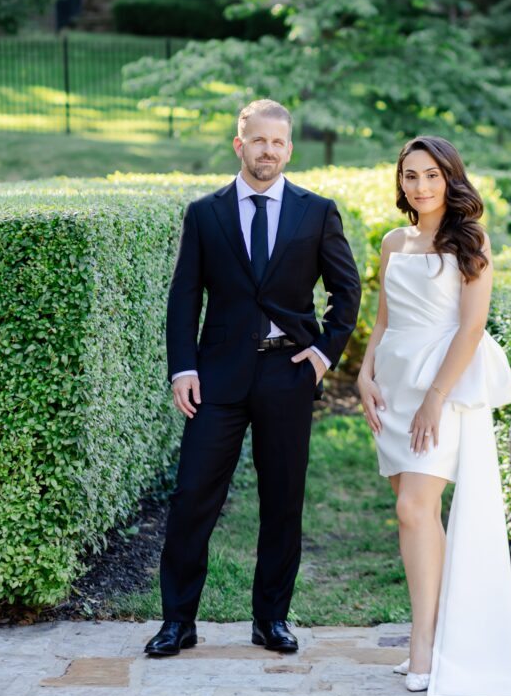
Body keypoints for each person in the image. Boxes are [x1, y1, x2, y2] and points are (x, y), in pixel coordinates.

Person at [145, 99, 361, 657]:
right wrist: (183, 366)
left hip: (288, 373)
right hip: (217, 377)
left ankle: (271, 619)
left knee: (283, 499)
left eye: (279, 142)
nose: (269, 150)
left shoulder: (316, 212)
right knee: (193, 494)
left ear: (289, 149)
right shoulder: (205, 212)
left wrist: (321, 355)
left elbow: (346, 291)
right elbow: (184, 296)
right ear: (239, 144)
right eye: (258, 140)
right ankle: (177, 621)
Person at [357, 136, 511, 696]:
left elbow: (471, 327)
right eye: (410, 176)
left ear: (450, 178)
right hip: (393, 383)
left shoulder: (471, 240)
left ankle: (425, 639)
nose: (420, 186)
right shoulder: (391, 242)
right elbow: (383, 318)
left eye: (431, 175)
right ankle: (434, 627)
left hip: (442, 384)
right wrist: (363, 373)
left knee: (415, 507)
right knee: (414, 519)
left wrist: (436, 396)